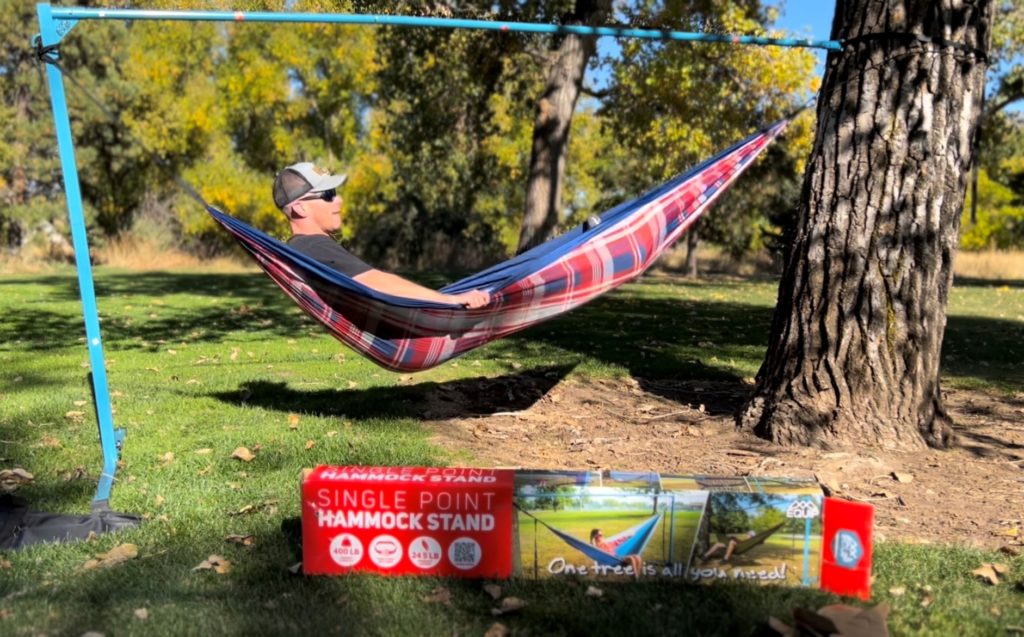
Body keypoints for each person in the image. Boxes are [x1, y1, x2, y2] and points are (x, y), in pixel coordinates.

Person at [272, 162, 491, 309]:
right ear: (300, 208)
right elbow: (376, 282)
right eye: (328, 195)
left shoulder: (299, 248)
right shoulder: (313, 248)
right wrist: (450, 300)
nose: (339, 201)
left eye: (335, 194)